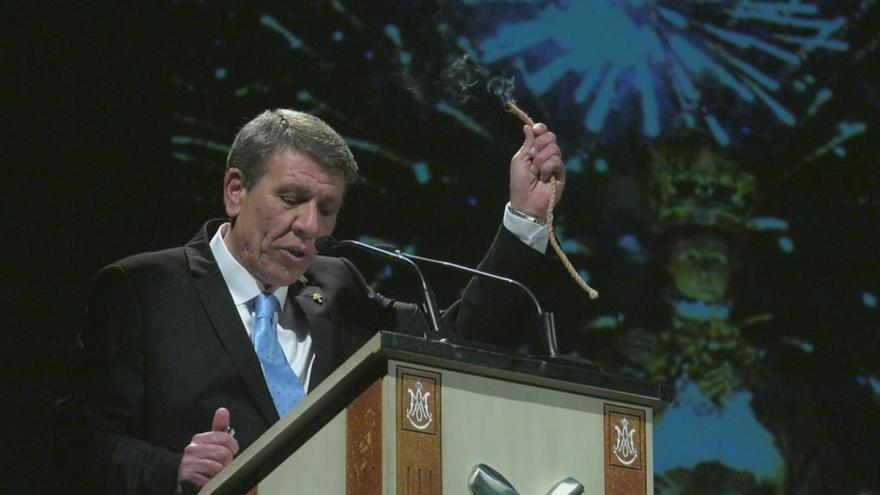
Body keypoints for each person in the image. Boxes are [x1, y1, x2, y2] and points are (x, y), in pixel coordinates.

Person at [74, 109, 566, 494]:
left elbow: (458, 342)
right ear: (235, 190)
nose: (310, 226)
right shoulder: (144, 289)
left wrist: (524, 219)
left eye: (326, 209)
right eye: (291, 199)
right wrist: (173, 469)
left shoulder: (338, 287)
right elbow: (79, 444)